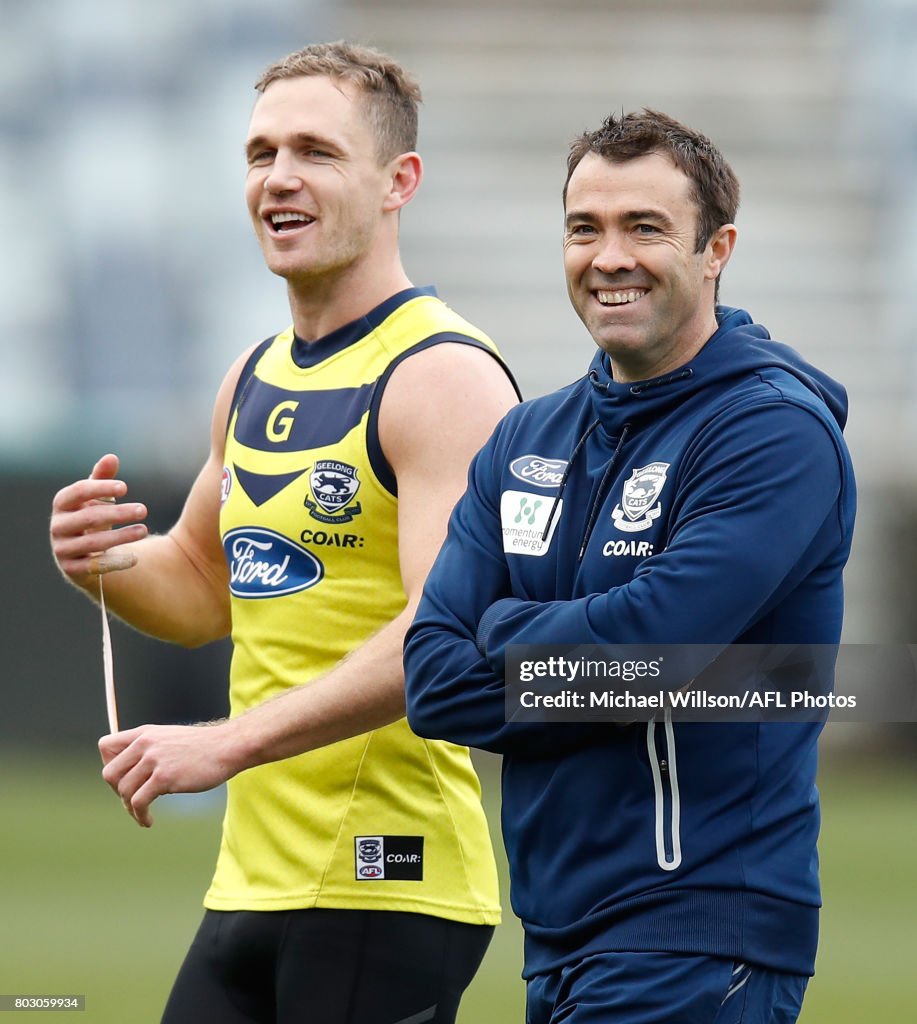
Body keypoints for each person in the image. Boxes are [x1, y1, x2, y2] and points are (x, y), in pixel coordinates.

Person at [49, 42, 520, 1024]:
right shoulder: (255, 372)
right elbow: (197, 583)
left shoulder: (441, 375)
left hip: (384, 876)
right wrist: (100, 561)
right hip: (253, 880)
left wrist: (224, 745)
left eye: (314, 150)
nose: (279, 177)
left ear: (400, 182)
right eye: (260, 153)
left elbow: (442, 636)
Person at [404, 109, 856, 1024]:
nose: (609, 257)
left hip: (699, 938)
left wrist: (499, 629)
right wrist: (593, 657)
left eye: (644, 228)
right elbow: (432, 684)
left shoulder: (771, 432)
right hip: (556, 937)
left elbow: (651, 649)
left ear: (716, 248)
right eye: (584, 228)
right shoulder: (527, 436)